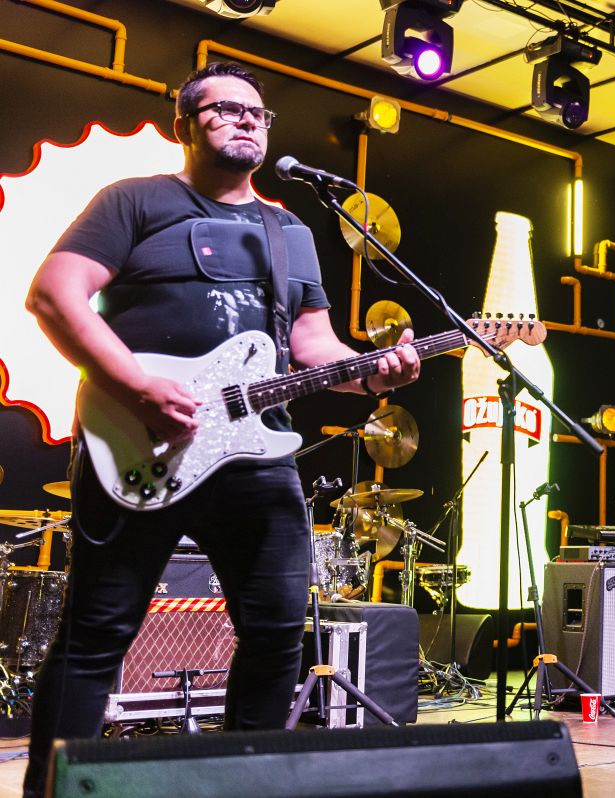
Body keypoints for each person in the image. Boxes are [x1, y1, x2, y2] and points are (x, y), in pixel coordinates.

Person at [21, 62, 420, 796]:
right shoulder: (134, 200)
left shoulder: (288, 228)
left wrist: (372, 374)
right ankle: (51, 789)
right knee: (97, 633)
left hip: (256, 455)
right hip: (140, 444)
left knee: (277, 634)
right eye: (225, 109)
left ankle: (241, 786)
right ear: (184, 125)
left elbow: (314, 346)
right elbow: (53, 294)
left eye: (258, 113)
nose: (246, 120)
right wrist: (136, 384)